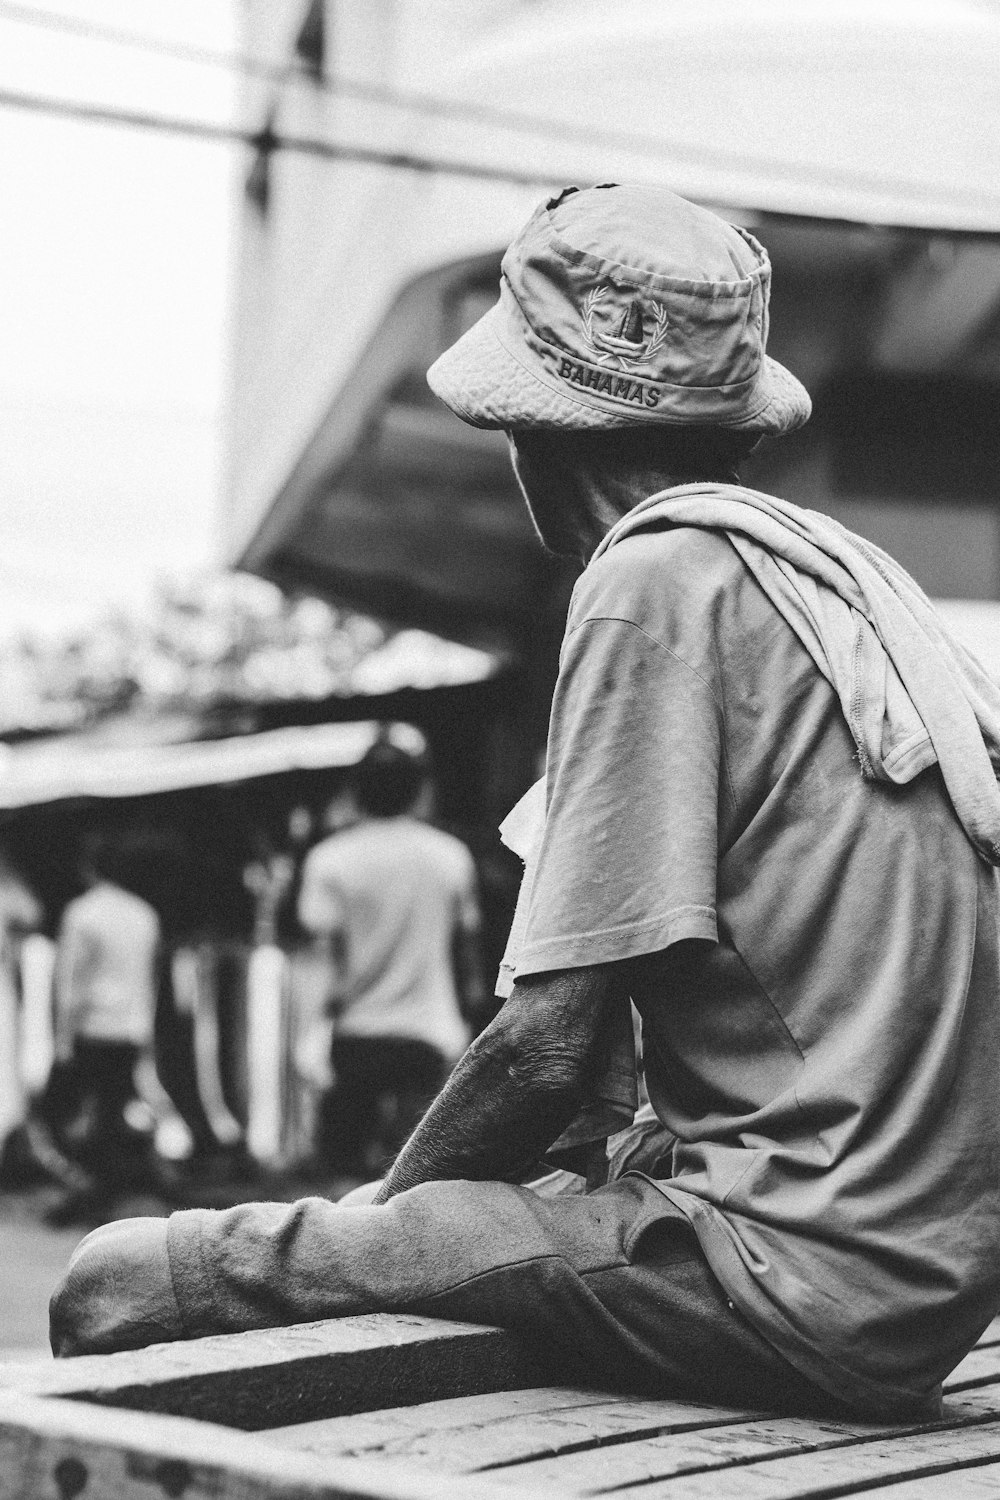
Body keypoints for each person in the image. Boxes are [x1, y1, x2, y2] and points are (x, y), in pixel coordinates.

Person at [49, 185, 1000, 1427]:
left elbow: (548, 1046)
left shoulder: (652, 580)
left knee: (114, 1278)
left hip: (789, 1281)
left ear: (540, 432)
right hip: (917, 1290)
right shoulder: (841, 581)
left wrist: (380, 1238)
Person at [298, 737, 486, 1174]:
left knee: (343, 1180)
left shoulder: (329, 860)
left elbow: (324, 963)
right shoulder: (450, 856)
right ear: (418, 790)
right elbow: (469, 962)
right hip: (430, 1032)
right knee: (415, 1178)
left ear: (356, 792)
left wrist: (309, 1037)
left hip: (355, 1035)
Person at [43, 846, 162, 1212]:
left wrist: (62, 1037)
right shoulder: (144, 913)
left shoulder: (83, 912)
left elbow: (72, 982)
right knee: (113, 1109)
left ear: (90, 868)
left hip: (93, 1028)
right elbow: (151, 977)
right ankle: (111, 1186)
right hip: (131, 1028)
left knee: (73, 1111)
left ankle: (93, 1188)